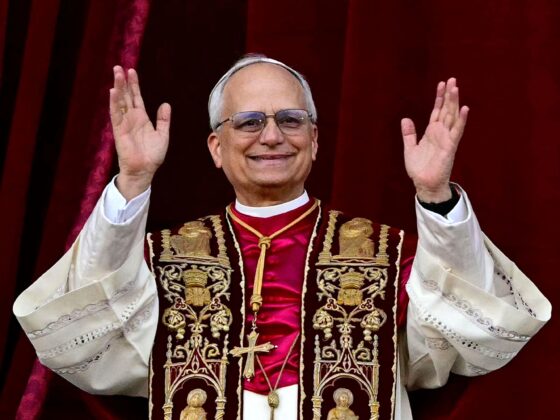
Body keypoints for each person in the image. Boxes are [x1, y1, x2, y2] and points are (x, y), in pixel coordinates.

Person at [13, 55, 551, 419]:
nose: (272, 136)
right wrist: (132, 182)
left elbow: (474, 332)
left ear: (314, 141)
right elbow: (85, 330)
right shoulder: (162, 258)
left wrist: (435, 196)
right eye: (249, 122)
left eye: (291, 120)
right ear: (216, 148)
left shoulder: (386, 255)